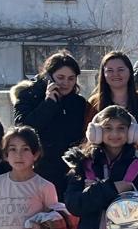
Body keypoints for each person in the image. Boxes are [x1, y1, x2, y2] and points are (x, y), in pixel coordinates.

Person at [11, 52, 88, 191]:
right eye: (60, 77)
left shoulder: (79, 103)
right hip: (37, 170)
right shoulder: (28, 96)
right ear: (48, 77)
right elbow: (23, 129)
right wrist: (49, 104)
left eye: (71, 78)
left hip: (69, 172)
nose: (66, 83)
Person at [85, 50, 138, 154]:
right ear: (103, 74)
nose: (115, 74)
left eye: (121, 69)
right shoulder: (94, 103)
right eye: (110, 70)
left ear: (130, 72)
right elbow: (88, 136)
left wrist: (137, 161)